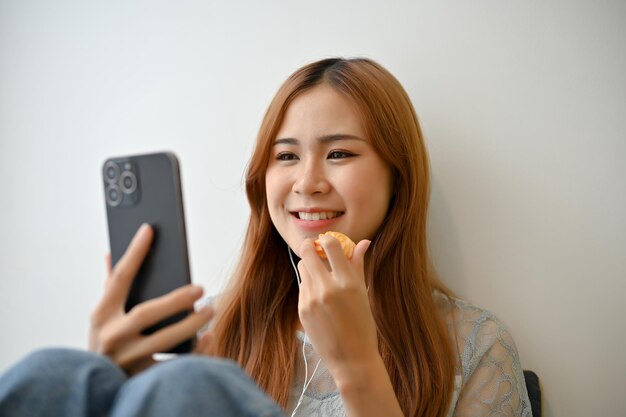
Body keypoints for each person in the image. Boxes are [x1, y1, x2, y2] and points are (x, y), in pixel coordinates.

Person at [0, 57, 532, 417]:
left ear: (400, 178)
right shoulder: (212, 332)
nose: (307, 182)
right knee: (59, 374)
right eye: (285, 156)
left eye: (340, 152)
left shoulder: (473, 345)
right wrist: (122, 390)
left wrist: (358, 366)